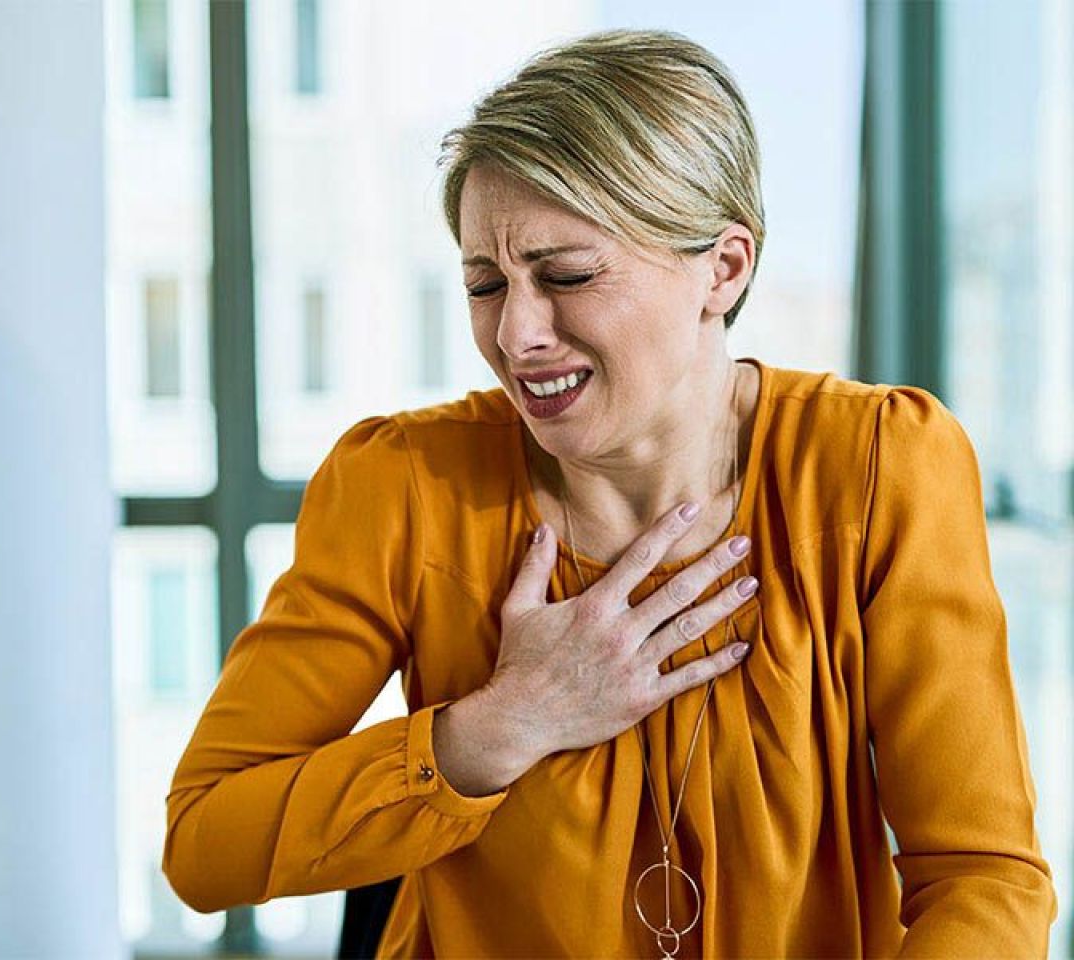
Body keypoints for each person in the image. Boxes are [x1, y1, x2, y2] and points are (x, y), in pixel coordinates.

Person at [161, 28, 1057, 957]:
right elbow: (204, 843)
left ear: (724, 267)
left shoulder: (877, 468)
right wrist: (505, 723)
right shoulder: (403, 486)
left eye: (567, 276)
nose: (516, 333)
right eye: (483, 283)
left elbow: (982, 880)